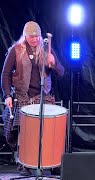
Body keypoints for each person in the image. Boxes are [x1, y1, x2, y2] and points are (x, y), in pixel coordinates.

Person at [1, 21, 65, 175]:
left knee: (47, 130)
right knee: (22, 132)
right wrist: (7, 95)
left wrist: (54, 64)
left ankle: (52, 162)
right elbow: (5, 74)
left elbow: (61, 72)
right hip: (21, 97)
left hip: (42, 97)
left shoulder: (46, 50)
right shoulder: (16, 50)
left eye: (37, 36)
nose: (35, 39)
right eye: (31, 36)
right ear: (25, 35)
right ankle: (24, 162)